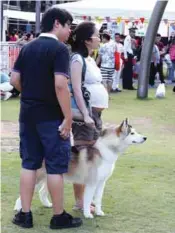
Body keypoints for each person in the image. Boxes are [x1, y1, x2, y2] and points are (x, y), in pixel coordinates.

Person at [10, 7, 82, 229]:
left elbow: (14, 79)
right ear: (57, 23)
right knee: (55, 167)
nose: (70, 31)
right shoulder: (60, 49)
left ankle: (25, 214)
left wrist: (32, 96)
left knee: (29, 164)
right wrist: (68, 118)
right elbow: (61, 85)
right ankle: (58, 216)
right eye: (69, 25)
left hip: (28, 115)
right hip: (52, 118)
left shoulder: (27, 47)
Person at [69, 22, 109, 211]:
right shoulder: (77, 59)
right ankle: (80, 201)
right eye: (96, 35)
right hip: (84, 116)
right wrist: (85, 114)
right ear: (86, 39)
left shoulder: (90, 58)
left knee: (92, 157)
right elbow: (76, 88)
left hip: (95, 115)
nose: (99, 38)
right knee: (82, 158)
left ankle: (87, 199)